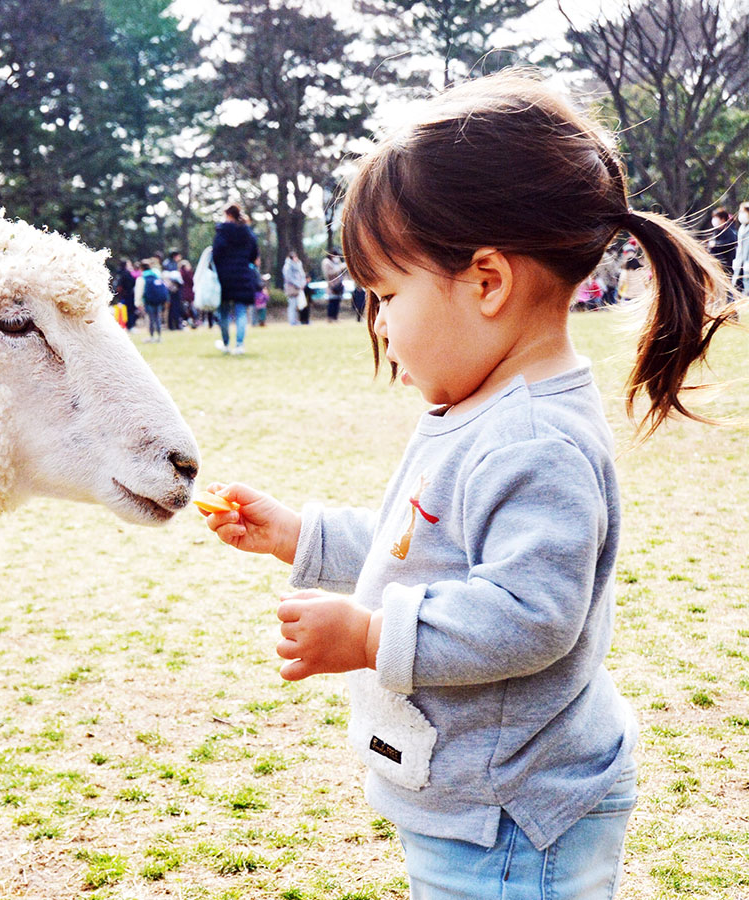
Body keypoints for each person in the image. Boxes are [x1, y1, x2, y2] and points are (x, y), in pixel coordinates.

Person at [197, 73, 736, 900]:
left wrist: (372, 639)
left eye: (386, 295)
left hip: (518, 821)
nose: (376, 324)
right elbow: (420, 545)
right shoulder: (479, 408)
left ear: (486, 282)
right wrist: (300, 536)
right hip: (478, 804)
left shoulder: (535, 440)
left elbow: (530, 614)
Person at [211, 204, 259, 354]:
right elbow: (254, 255)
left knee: (224, 312)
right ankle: (239, 345)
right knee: (241, 312)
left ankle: (226, 344)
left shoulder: (222, 232)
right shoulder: (247, 232)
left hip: (224, 276)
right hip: (243, 275)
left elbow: (216, 253)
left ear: (228, 215)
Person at [134, 255, 168, 343]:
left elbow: (139, 292)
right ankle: (159, 337)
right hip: (158, 301)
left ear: (141, 268)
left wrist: (138, 303)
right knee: (158, 318)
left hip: (148, 301)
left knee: (150, 319)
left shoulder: (142, 278)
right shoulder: (156, 276)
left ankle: (152, 337)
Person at [706, 206, 737, 275]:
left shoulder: (729, 231)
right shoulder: (716, 231)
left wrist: (715, 244)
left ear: (723, 219)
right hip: (715, 265)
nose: (714, 220)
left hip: (725, 265)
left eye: (716, 218)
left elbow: (729, 243)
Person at [282, 250, 307, 325]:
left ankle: (296, 320)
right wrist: (298, 284)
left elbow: (302, 275)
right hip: (291, 288)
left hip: (298, 288)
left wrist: (302, 283)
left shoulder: (298, 265)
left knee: (297, 305)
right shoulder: (287, 266)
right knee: (292, 305)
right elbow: (288, 277)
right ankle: (292, 321)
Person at [322, 251, 347, 321]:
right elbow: (330, 273)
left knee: (337, 302)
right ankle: (330, 317)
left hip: (338, 286)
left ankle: (335, 317)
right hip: (332, 286)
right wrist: (340, 267)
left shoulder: (336, 262)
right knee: (332, 302)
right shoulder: (326, 262)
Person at [731, 202, 749, 292]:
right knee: (737, 287)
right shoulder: (742, 228)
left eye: (743, 212)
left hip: (747, 263)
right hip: (741, 263)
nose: (741, 214)